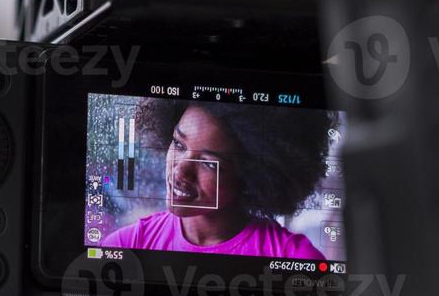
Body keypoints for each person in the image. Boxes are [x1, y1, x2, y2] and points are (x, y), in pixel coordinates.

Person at [101, 100, 335, 260]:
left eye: (207, 163)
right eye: (179, 144)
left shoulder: (293, 257)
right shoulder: (126, 245)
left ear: (252, 173)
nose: (180, 172)